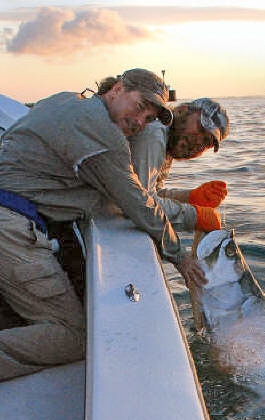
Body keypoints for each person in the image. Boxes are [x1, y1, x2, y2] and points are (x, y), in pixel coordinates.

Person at [0, 68, 220, 381]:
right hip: (9, 226)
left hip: (13, 212)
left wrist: (188, 200)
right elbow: (138, 203)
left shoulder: (64, 101)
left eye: (149, 117)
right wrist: (180, 257)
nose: (140, 121)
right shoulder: (104, 136)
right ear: (116, 89)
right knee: (73, 337)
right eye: (141, 106)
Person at [129, 98, 230, 236]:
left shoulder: (168, 144)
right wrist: (195, 216)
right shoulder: (155, 132)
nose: (198, 141)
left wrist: (190, 197)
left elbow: (151, 192)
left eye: (206, 141)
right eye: (200, 128)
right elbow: (140, 204)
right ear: (182, 110)